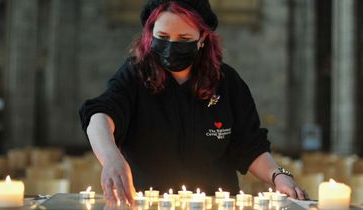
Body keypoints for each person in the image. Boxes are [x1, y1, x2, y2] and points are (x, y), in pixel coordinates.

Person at [79, 0, 306, 205]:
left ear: (202, 38)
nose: (171, 46)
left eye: (184, 39)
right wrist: (111, 158)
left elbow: (250, 145)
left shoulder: (227, 83)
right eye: (163, 38)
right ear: (150, 35)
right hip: (150, 203)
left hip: (214, 203)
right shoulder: (135, 75)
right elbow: (100, 114)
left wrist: (278, 175)